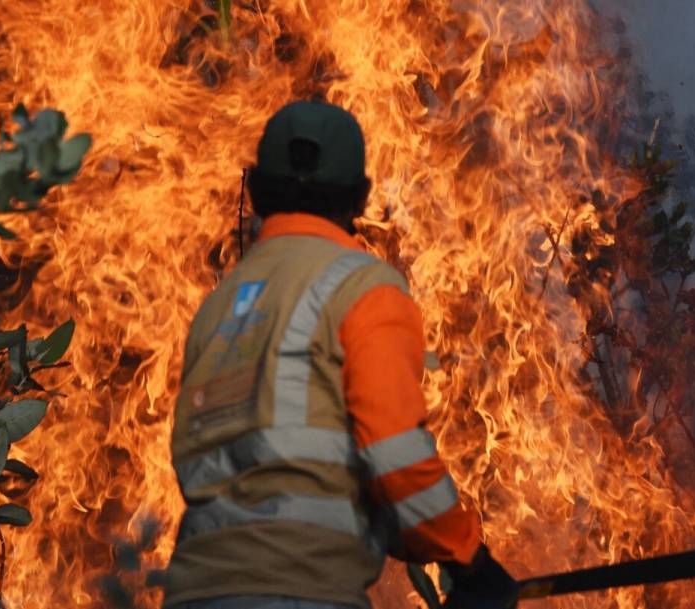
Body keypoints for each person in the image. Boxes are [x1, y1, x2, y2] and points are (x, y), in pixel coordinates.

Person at [164, 100, 517, 609]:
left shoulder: (219, 307)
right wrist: (468, 559)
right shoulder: (363, 289)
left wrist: (387, 523)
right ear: (359, 197)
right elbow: (393, 451)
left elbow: (209, 461)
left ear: (259, 192)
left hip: (193, 594)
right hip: (300, 591)